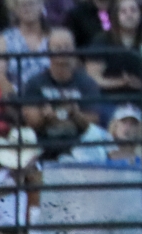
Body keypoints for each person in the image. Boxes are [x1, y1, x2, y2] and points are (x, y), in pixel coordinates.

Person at [20, 28, 103, 158]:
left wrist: (76, 115)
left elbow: (94, 123)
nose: (63, 51)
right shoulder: (35, 83)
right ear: (48, 51)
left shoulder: (87, 83)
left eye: (67, 47)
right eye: (58, 47)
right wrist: (45, 117)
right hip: (43, 145)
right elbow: (31, 122)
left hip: (80, 148)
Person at [87, 0, 142, 108]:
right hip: (108, 99)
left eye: (133, 10)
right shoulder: (102, 40)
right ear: (116, 16)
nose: (129, 15)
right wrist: (121, 82)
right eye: (123, 11)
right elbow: (93, 79)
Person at [0, 0, 52, 90]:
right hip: (17, 98)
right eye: (22, 4)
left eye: (31, 3)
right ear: (16, 10)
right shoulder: (5, 39)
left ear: (41, 6)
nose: (27, 8)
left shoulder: (53, 37)